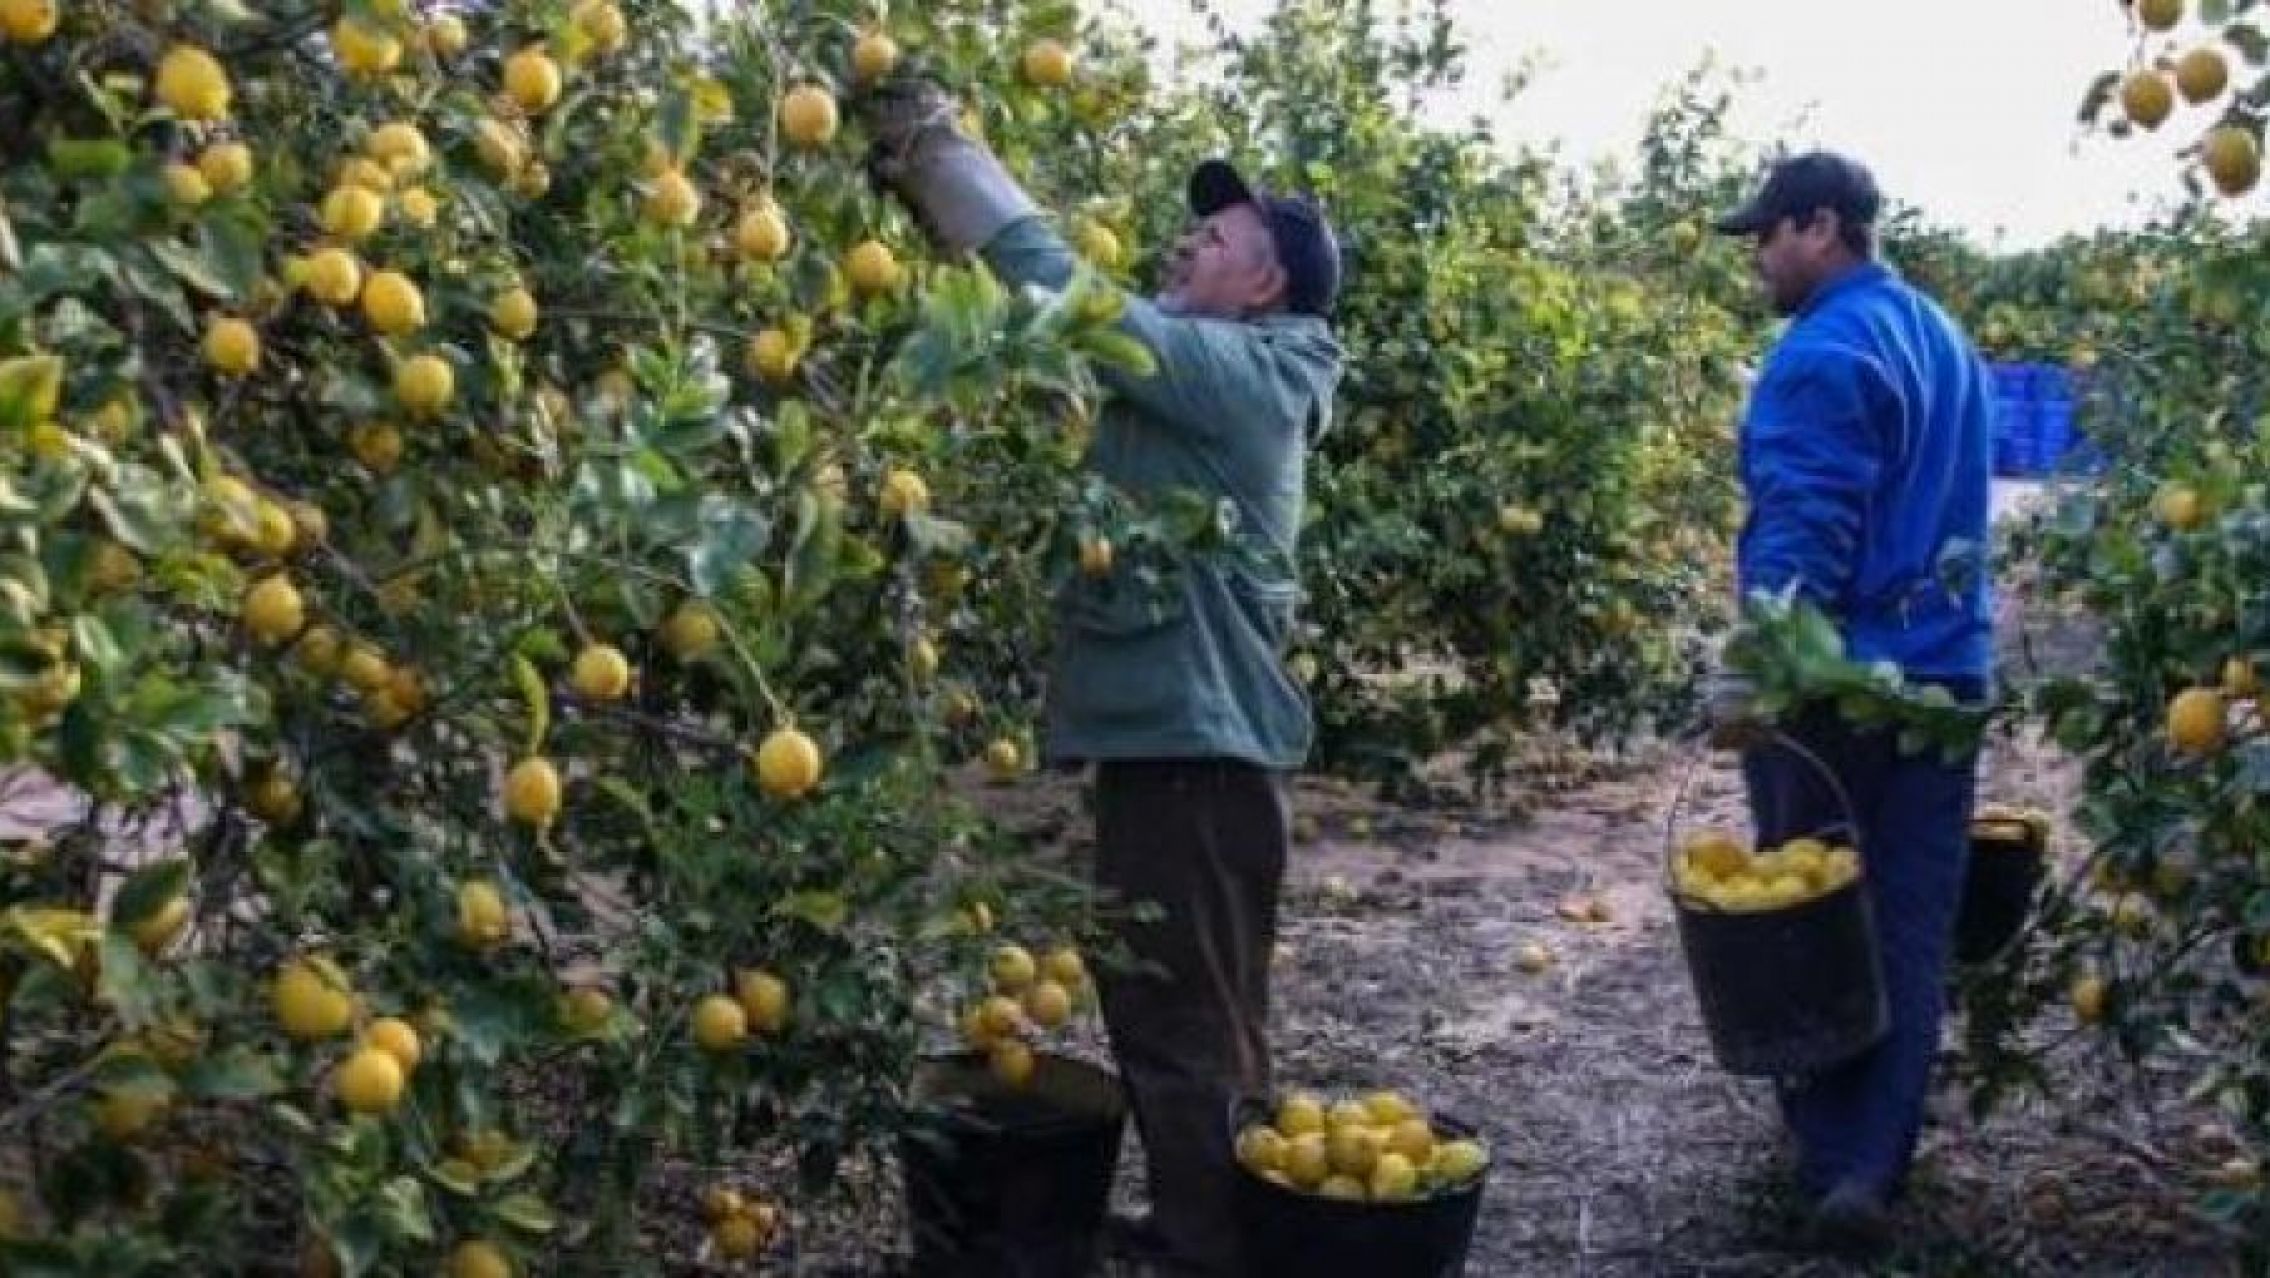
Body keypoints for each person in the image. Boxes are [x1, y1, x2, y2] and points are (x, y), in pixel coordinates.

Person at [862, 83, 1345, 1275]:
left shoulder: (1246, 381)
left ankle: (1212, 1246)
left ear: (1264, 284)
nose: (1189, 241)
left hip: (1197, 756)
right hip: (1176, 753)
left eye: (1216, 239)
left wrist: (942, 160)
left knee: (1182, 1012)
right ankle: (1207, 1221)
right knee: (1182, 1005)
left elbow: (1074, 303)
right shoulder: (1210, 375)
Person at [1705, 150, 1994, 1253]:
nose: (1759, 262)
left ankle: (1825, 1160)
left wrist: (1758, 663)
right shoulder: (1942, 336)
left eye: (1767, 238)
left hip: (1839, 685)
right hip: (1942, 678)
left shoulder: (1819, 352)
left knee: (1805, 916)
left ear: (1819, 227)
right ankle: (1873, 1166)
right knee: (1907, 926)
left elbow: (1806, 528)